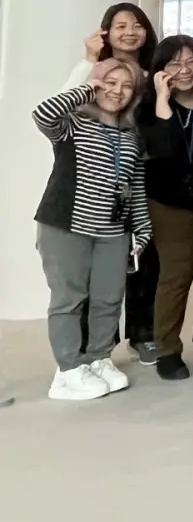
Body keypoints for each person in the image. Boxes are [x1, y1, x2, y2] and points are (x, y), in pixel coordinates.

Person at [33, 59, 150, 401]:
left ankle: (99, 358)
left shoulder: (131, 135)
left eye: (126, 85)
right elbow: (42, 113)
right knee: (69, 299)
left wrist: (142, 230)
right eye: (109, 83)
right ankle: (68, 370)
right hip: (66, 226)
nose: (117, 91)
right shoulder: (71, 124)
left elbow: (135, 186)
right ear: (96, 84)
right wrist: (87, 87)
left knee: (108, 298)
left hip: (113, 231)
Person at [67, 3, 159, 366]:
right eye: (121, 26)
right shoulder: (96, 72)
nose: (130, 32)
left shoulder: (155, 74)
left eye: (137, 25)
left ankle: (143, 333)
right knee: (95, 267)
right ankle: (94, 344)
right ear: (106, 32)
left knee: (144, 257)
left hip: (145, 174)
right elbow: (63, 106)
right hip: (102, 179)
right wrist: (88, 60)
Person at [138, 36, 193, 382]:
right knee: (176, 275)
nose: (184, 70)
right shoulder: (146, 106)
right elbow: (166, 148)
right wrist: (162, 99)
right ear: (160, 69)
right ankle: (168, 350)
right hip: (170, 202)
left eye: (191, 61)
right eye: (174, 63)